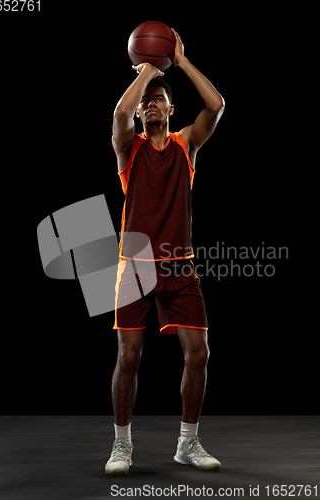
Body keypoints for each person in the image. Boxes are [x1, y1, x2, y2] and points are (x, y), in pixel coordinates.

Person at [105, 28, 225, 474]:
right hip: (133, 267)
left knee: (199, 353)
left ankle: (187, 443)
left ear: (171, 110)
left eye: (159, 99)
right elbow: (120, 110)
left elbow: (217, 106)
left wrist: (181, 60)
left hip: (179, 264)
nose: (149, 103)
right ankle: (122, 445)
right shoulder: (128, 149)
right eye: (145, 101)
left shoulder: (186, 146)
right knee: (129, 356)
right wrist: (151, 71)